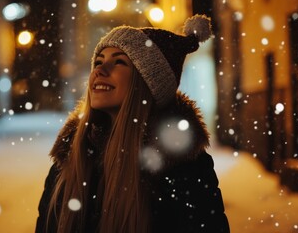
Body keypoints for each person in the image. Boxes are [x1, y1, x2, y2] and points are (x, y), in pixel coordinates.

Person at [36, 14, 230, 233]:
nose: (99, 70)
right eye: (98, 62)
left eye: (119, 61)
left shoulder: (184, 169)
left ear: (147, 84)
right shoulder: (69, 161)